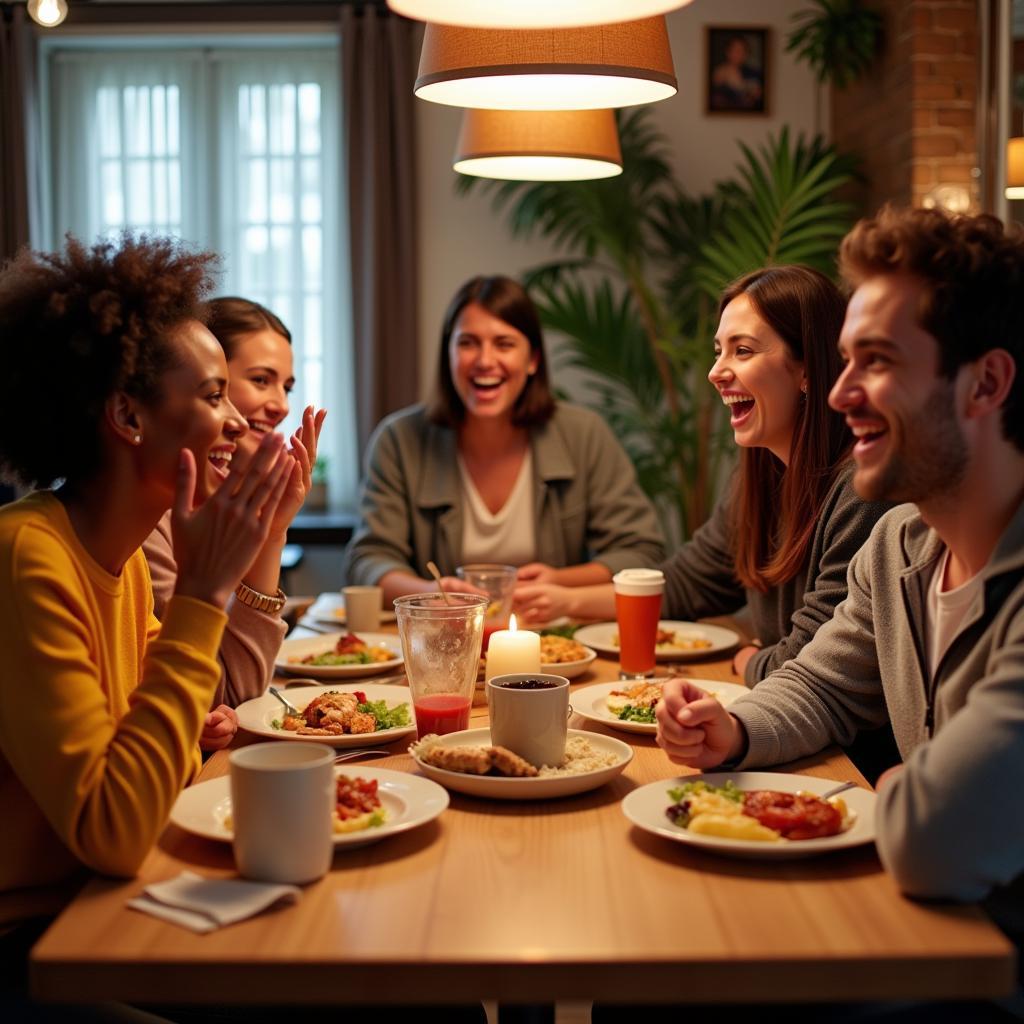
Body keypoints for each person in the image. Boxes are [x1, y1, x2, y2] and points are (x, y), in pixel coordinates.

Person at [657, 207, 1024, 1018]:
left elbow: (937, 842)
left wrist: (909, 793)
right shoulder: (899, 544)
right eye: (845, 359)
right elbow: (823, 687)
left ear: (987, 384)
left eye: (878, 362)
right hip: (923, 929)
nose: (839, 392)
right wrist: (738, 728)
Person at [0, 234, 297, 1016]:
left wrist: (187, 731)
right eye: (212, 396)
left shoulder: (121, 556)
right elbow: (114, 829)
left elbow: (134, 752)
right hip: (38, 940)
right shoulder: (30, 557)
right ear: (128, 414)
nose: (237, 421)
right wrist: (201, 598)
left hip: (107, 898)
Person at [515, 266, 891, 686]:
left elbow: (810, 660)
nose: (716, 372)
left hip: (846, 750)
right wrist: (562, 599)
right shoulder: (760, 479)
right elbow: (683, 585)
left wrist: (749, 660)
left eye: (742, 351)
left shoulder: (861, 491)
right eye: (719, 351)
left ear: (807, 369)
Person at [343, 274, 665, 604]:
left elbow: (642, 552)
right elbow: (367, 560)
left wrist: (559, 582)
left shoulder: (584, 435)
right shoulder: (399, 440)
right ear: (448, 355)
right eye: (467, 343)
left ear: (532, 360)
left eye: (504, 344)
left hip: (555, 642)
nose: (485, 361)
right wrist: (432, 594)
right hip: (440, 640)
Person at [142, 297, 326, 749]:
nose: (281, 406)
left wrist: (274, 531)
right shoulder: (141, 523)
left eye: (286, 386)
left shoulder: (222, 496)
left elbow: (231, 698)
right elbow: (223, 693)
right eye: (261, 380)